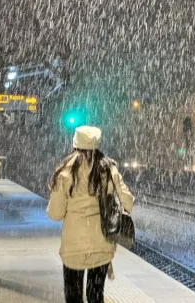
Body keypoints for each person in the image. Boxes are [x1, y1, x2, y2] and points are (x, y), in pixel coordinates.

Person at [47, 126, 134, 303]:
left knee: (73, 297)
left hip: (73, 248)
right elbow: (128, 202)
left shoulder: (65, 173)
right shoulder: (109, 170)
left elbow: (55, 214)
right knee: (96, 296)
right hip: (101, 244)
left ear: (75, 144)